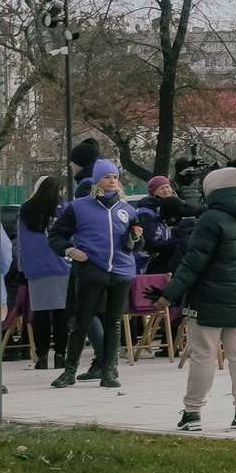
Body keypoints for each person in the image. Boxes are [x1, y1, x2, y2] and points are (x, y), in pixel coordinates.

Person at [162, 165, 236, 432]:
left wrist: (170, 292)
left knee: (203, 355)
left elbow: (193, 262)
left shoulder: (211, 218)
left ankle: (193, 413)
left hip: (208, 299)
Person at [49, 160, 152, 390]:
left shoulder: (127, 210)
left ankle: (109, 370)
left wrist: (136, 239)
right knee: (81, 320)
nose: (112, 181)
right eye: (107, 177)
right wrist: (69, 250)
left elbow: (137, 245)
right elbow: (56, 235)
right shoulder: (79, 207)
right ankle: (69, 371)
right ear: (97, 181)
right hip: (91, 269)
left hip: (121, 272)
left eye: (115, 177)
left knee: (113, 322)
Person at [17, 176, 69, 370]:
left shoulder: (26, 209)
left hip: (36, 267)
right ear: (59, 190)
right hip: (62, 264)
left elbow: (20, 242)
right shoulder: (66, 208)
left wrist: (22, 267)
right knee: (61, 313)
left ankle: (42, 357)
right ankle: (61, 355)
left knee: (40, 313)